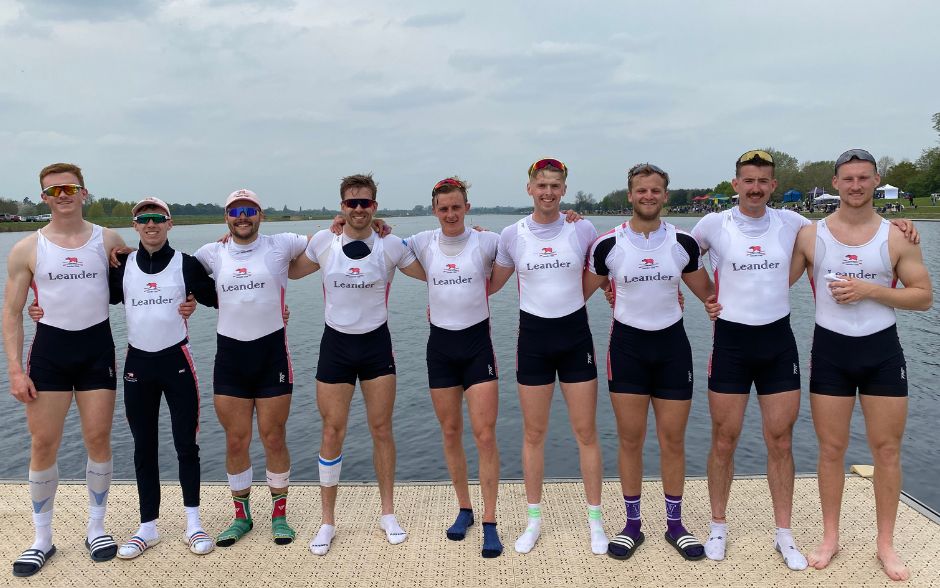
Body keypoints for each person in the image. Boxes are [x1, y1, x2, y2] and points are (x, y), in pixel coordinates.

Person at [26, 197, 217, 559]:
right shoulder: (122, 265)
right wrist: (38, 308)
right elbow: (82, 295)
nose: (151, 225)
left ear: (169, 224)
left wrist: (272, 301)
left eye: (158, 218)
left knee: (185, 446)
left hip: (178, 361)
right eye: (144, 219)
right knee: (143, 448)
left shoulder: (187, 265)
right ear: (135, 226)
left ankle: (194, 523)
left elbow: (223, 297)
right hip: (137, 366)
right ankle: (148, 527)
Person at [790, 149, 932, 582]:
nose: (855, 186)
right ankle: (830, 537)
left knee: (886, 451)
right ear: (835, 184)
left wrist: (871, 291)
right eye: (848, 179)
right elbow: (770, 280)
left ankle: (885, 544)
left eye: (864, 178)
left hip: (881, 354)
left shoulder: (898, 236)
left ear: (876, 182)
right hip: (831, 352)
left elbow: (923, 296)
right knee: (831, 450)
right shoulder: (810, 236)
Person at [583, 163, 715, 562]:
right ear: (630, 194)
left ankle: (676, 526)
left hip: (673, 349)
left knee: (673, 440)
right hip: (626, 350)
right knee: (631, 440)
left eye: (656, 190)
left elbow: (711, 295)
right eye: (641, 190)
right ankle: (632, 525)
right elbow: (572, 294)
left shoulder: (683, 243)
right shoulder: (607, 246)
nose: (648, 196)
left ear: (665, 195)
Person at [289, 174, 424, 556]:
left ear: (374, 207)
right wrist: (230, 244)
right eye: (352, 203)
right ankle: (327, 521)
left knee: (381, 428)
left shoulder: (391, 245)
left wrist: (476, 240)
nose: (359, 209)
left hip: (376, 345)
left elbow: (439, 267)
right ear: (342, 207)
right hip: (335, 346)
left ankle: (387, 513)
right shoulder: (322, 242)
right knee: (332, 430)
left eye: (365, 203)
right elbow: (281, 266)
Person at [3, 163, 127, 576]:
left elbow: (151, 279)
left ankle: (96, 528)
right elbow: (13, 312)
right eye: (54, 191)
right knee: (43, 444)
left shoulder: (108, 239)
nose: (63, 196)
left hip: (96, 351)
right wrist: (16, 371)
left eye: (70, 188)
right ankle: (42, 539)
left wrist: (187, 301)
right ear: (44, 198)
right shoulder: (27, 249)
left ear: (84, 192)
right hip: (50, 354)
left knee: (97, 438)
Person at [692, 149, 812, 570]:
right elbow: (677, 256)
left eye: (763, 181)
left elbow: (847, 231)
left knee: (780, 440)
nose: (756, 187)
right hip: (731, 343)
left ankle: (785, 533)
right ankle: (718, 526)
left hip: (778, 342)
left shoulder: (794, 224)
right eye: (748, 180)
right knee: (725, 439)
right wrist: (707, 296)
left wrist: (898, 226)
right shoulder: (712, 224)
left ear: (773, 186)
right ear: (736, 184)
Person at [489, 157, 608, 555]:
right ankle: (533, 520)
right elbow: (489, 284)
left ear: (564, 190)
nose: (548, 193)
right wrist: (465, 243)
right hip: (533, 340)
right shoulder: (512, 234)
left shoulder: (582, 228)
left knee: (586, 433)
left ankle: (595, 522)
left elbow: (605, 268)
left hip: (575, 338)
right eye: (542, 186)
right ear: (529, 189)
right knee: (534, 434)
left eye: (555, 186)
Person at [193, 189, 309, 548]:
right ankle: (241, 516)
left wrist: (372, 227)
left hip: (271, 354)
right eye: (234, 211)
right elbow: (171, 274)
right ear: (226, 217)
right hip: (230, 358)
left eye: (249, 210)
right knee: (236, 439)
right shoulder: (210, 253)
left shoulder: (282, 244)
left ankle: (279, 515)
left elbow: (330, 242)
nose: (242, 217)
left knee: (273, 437)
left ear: (260, 214)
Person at [405, 177, 503, 558]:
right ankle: (465, 509)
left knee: (485, 436)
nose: (450, 214)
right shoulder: (422, 243)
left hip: (478, 347)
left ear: (467, 207)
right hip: (440, 349)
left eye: (456, 207)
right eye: (443, 209)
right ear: (435, 211)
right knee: (450, 432)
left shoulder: (487, 241)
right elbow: (382, 243)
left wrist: (575, 218)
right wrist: (345, 224)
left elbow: (530, 243)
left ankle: (491, 520)